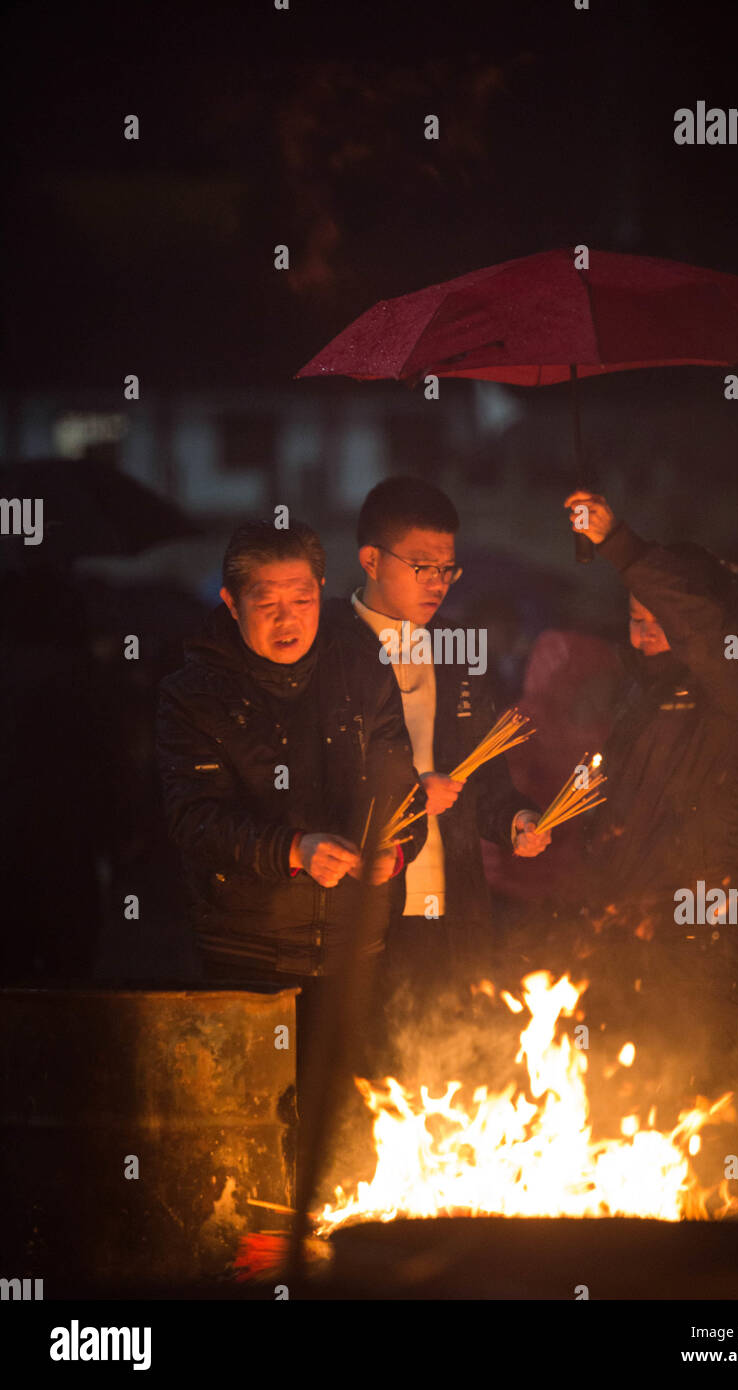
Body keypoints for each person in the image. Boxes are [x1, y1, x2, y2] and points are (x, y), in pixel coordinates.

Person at [156, 518, 425, 1183]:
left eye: (301, 599)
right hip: (247, 953)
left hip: (354, 945)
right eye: (267, 603)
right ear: (231, 602)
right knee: (255, 1138)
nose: (288, 619)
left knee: (355, 1134)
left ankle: (354, 1272)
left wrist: (394, 853)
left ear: (323, 590)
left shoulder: (360, 669)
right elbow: (193, 820)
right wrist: (293, 850)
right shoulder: (192, 696)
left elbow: (403, 790)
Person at [562, 490, 738, 1100]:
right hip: (629, 937)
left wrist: (618, 543)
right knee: (617, 1110)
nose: (646, 635)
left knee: (694, 1107)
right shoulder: (636, 697)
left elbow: (697, 622)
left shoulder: (734, 686)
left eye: (660, 621)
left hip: (701, 938)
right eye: (634, 619)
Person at [328, 476, 550, 1006]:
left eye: (447, 568)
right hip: (362, 907)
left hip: (454, 905)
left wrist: (515, 819)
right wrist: (408, 797)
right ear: (371, 559)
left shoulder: (459, 649)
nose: (438, 583)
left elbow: (487, 778)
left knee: (451, 1070)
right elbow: (315, 782)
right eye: (422, 566)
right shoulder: (329, 650)